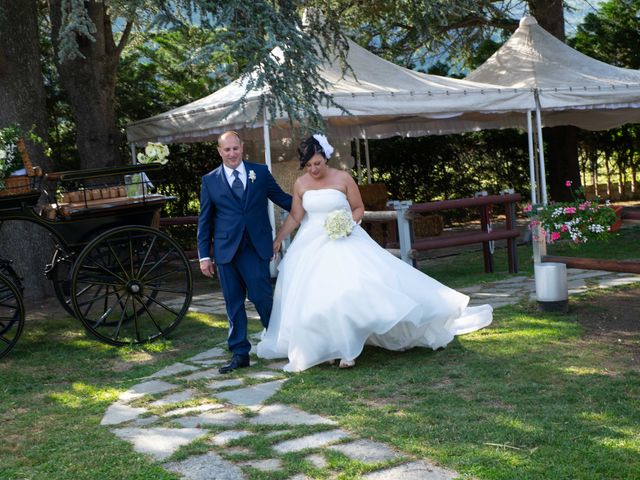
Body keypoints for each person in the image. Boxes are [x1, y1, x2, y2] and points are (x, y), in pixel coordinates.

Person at [257, 134, 492, 372]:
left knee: (351, 291)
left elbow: (358, 208)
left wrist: (347, 224)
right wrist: (279, 238)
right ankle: (325, 346)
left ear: (325, 158)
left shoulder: (343, 178)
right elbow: (297, 216)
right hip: (311, 244)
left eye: (317, 163)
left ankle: (347, 350)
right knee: (316, 296)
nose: (313, 169)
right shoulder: (301, 184)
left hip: (344, 239)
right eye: (308, 166)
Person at [198, 131, 292, 373]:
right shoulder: (210, 180)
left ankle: (278, 341)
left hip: (255, 246)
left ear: (242, 148)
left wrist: (312, 203)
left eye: (235, 149)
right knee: (233, 303)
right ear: (219, 151)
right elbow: (205, 220)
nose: (232, 154)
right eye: (226, 150)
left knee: (262, 296)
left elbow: (282, 198)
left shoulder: (259, 173)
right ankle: (240, 353)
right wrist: (204, 256)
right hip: (225, 250)